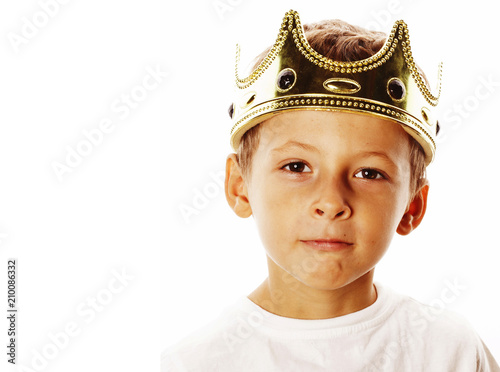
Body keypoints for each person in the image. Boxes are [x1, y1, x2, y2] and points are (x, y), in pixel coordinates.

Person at [162, 9, 500, 371]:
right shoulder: (199, 362)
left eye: (369, 173)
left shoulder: (449, 352)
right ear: (239, 186)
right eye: (296, 167)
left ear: (412, 207)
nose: (331, 202)